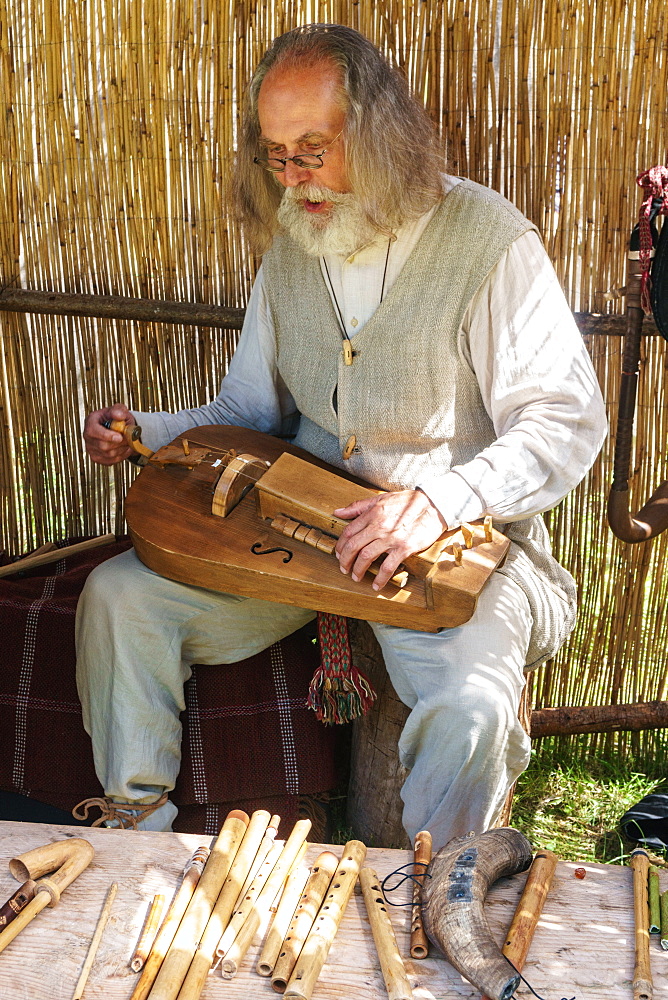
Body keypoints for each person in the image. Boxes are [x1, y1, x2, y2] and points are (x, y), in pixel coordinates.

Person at [76, 24, 607, 848]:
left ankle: (441, 885)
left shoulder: (489, 242)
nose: (293, 179)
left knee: (471, 705)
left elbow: (567, 417)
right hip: (293, 540)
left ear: (379, 132)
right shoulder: (295, 243)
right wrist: (144, 430)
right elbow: (249, 411)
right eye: (276, 154)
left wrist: (438, 501)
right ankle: (135, 832)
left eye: (312, 150)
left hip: (448, 547)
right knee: (121, 599)